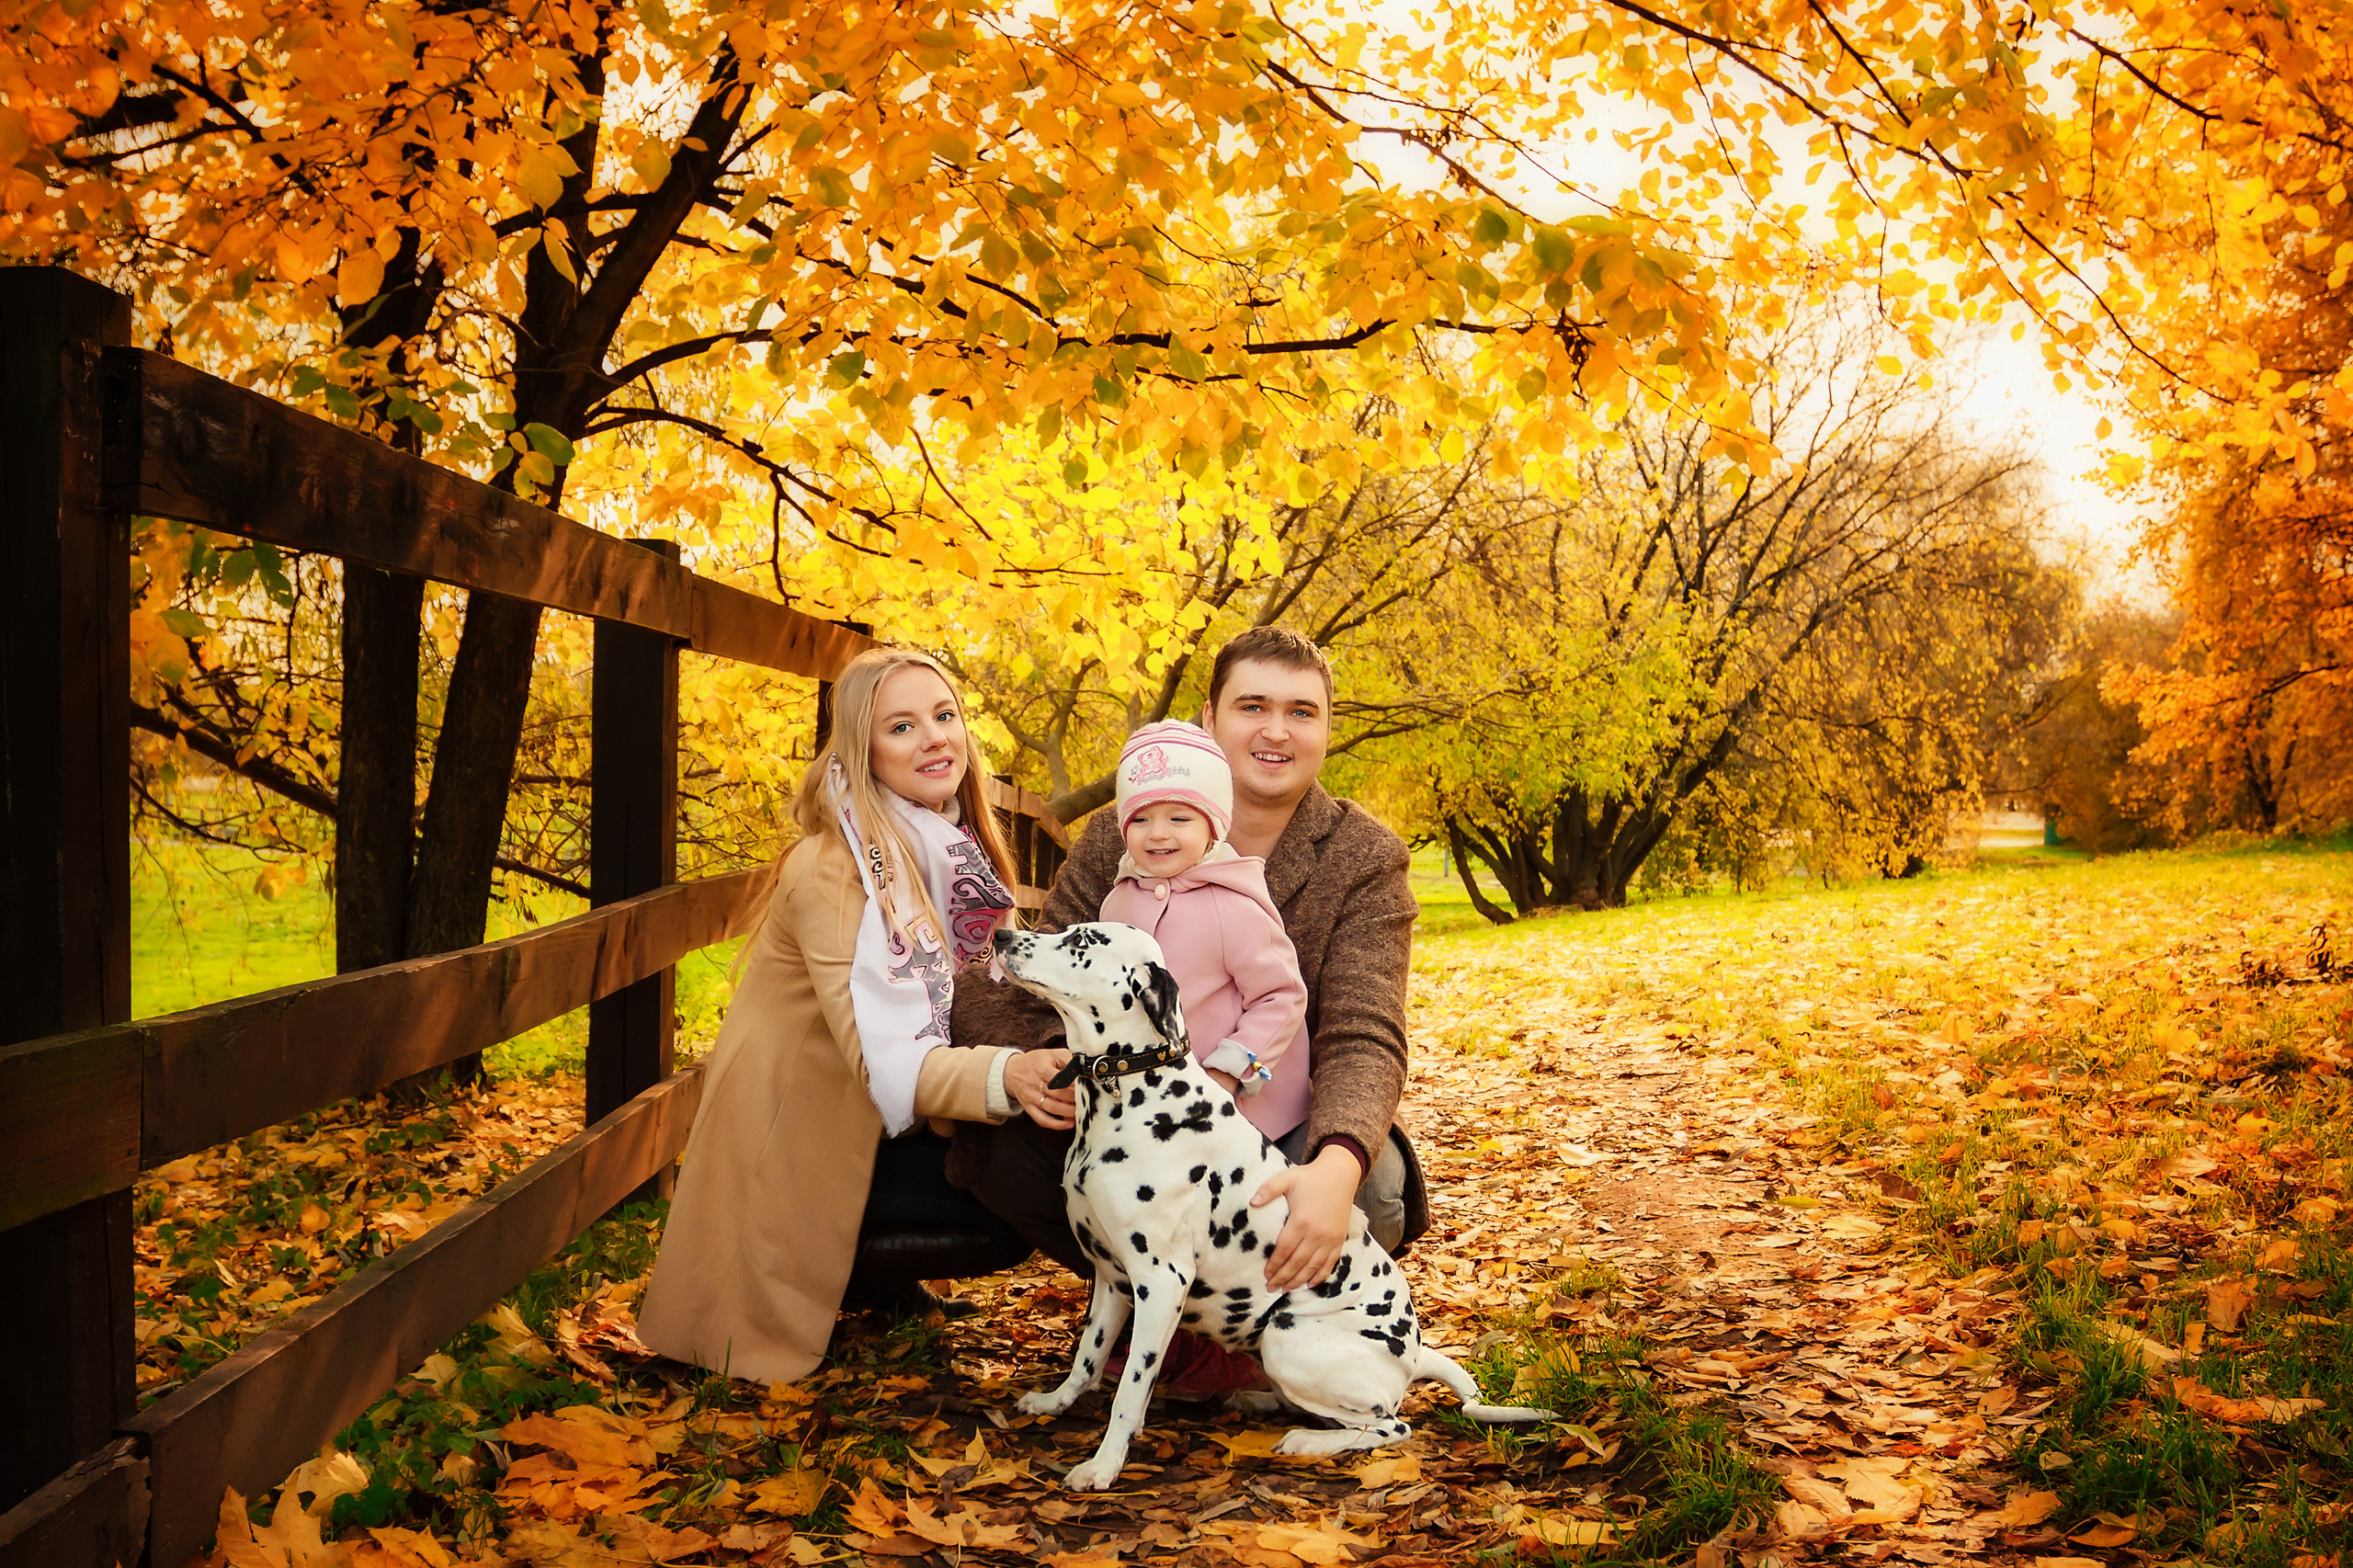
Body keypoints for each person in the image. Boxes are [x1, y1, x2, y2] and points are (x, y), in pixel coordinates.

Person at [949, 626, 1427, 1394]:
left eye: (1302, 711)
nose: (1277, 730)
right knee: (997, 1145)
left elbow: (1364, 1029)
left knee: (1371, 1192)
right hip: (1130, 1114)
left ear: (1326, 728)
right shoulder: (1124, 834)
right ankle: (1164, 1308)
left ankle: (1258, 1324)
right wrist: (1045, 1053)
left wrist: (1336, 1164)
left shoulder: (1363, 855)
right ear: (1211, 719)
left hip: (1272, 1118)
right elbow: (1025, 967)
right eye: (1253, 706)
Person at [636, 649, 1075, 1386]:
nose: (935, 738)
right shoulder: (837, 867)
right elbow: (886, 1055)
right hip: (799, 1151)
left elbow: (977, 998)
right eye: (901, 726)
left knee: (1028, 1145)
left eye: (944, 717)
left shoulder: (941, 847)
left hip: (863, 1127)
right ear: (862, 752)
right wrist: (1012, 1075)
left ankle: (872, 1281)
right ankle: (843, 1276)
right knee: (1009, 1184)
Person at [1098, 719, 1308, 1131]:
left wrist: (1228, 1072)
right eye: (1139, 820)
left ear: (1212, 826)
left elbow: (1280, 997)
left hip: (1233, 1109)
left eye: (1179, 819)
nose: (1157, 834)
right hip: (1147, 1104)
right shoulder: (1118, 902)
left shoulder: (1232, 905)